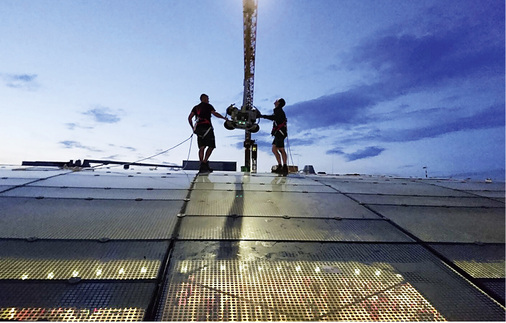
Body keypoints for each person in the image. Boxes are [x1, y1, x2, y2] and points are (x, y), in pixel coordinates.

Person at [188, 94, 226, 173]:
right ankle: (204, 162)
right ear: (204, 99)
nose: (208, 100)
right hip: (207, 128)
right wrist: (224, 118)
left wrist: (193, 128)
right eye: (207, 98)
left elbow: (189, 118)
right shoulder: (208, 106)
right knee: (211, 146)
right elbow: (215, 113)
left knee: (202, 147)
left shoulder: (196, 107)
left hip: (198, 128)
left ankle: (202, 164)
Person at [260, 98, 288, 176]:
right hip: (278, 133)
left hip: (280, 133)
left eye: (277, 100)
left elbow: (274, 118)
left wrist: (263, 116)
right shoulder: (278, 111)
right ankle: (280, 165)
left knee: (281, 149)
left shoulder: (278, 111)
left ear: (279, 103)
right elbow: (274, 118)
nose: (275, 101)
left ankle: (284, 166)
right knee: (274, 149)